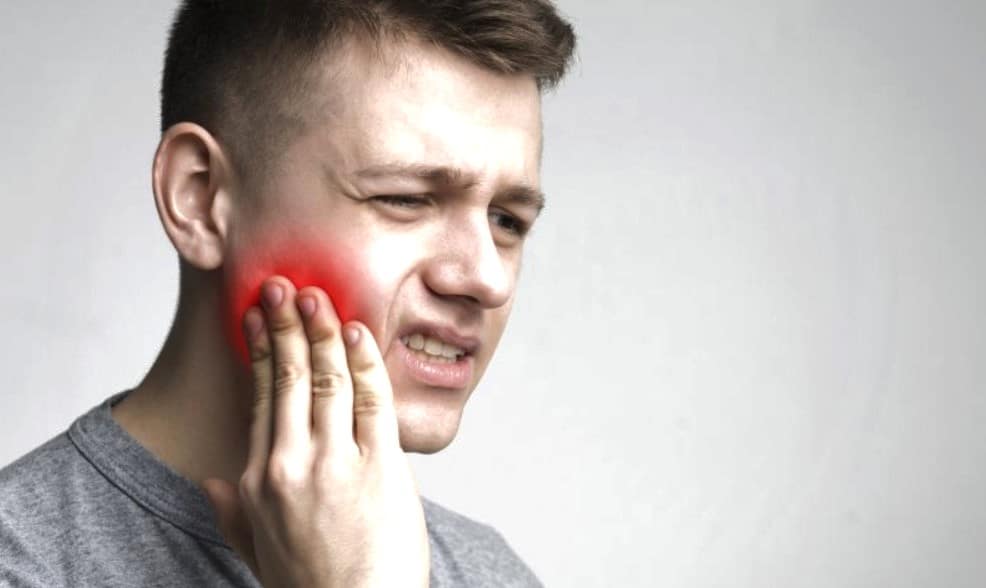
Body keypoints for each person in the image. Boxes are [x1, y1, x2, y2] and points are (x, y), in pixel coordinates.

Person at [0, 1, 576, 586]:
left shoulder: (496, 574)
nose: (487, 278)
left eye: (507, 220)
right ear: (200, 197)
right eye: (406, 198)